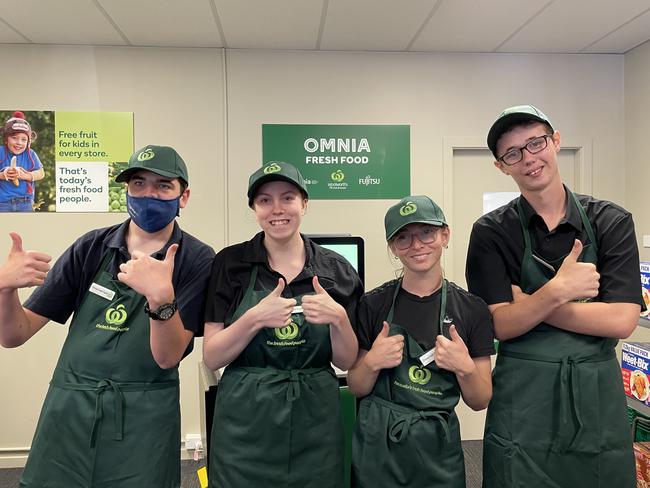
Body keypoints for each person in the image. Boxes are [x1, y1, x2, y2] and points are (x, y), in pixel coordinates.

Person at [0, 145, 215, 488]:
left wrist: (161, 298)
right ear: (126, 190)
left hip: (144, 416)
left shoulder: (197, 259)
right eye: (138, 184)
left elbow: (167, 357)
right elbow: (13, 335)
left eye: (163, 186)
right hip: (70, 408)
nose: (149, 194)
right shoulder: (91, 247)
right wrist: (5, 289)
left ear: (183, 196)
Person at [466, 105, 645, 487]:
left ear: (556, 141)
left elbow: (622, 320)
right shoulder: (491, 233)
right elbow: (500, 324)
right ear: (502, 166)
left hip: (594, 396)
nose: (529, 158)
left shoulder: (610, 221)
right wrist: (559, 291)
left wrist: (535, 303)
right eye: (513, 153)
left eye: (536, 143)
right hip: (522, 401)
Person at [203, 161, 363, 488]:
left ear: (304, 203)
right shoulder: (230, 264)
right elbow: (213, 356)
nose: (277, 209)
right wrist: (254, 318)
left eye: (288, 198)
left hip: (315, 417)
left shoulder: (337, 269)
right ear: (254, 208)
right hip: (246, 420)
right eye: (265, 200)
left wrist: (340, 319)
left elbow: (346, 361)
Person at [348, 195, 494, 488]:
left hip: (437, 448)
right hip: (379, 445)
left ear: (445, 235)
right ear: (393, 247)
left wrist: (465, 367)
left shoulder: (471, 309)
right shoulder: (373, 304)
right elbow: (356, 385)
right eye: (403, 238)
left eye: (426, 232)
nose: (416, 245)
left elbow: (480, 400)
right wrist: (373, 362)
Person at [0, 111, 44, 212]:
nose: (19, 142)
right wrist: (3, 175)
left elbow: (41, 173)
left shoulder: (30, 153)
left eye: (23, 139)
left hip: (25, 202)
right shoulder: (1, 152)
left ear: (28, 142)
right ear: (6, 139)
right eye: (14, 138)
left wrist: (24, 175)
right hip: (2, 203)